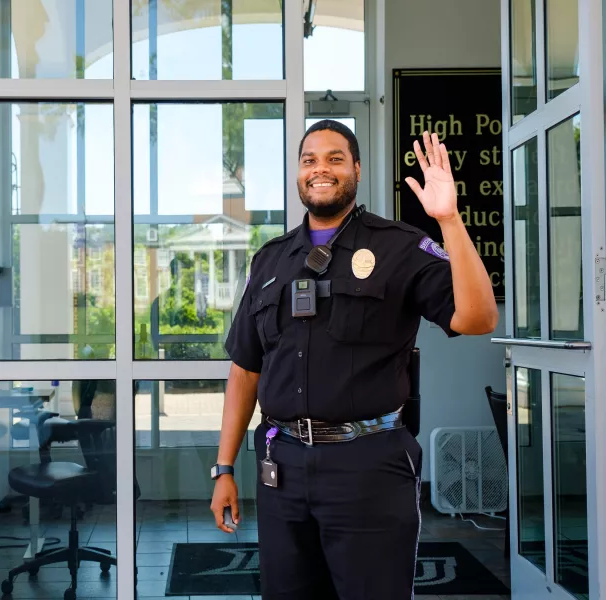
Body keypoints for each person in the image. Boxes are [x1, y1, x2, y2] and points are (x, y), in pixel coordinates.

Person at [209, 120, 498, 599]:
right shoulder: (271, 260)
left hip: (369, 465)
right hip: (282, 467)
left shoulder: (399, 247)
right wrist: (223, 469)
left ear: (357, 170)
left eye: (335, 159)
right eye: (309, 160)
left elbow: (479, 317)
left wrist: (449, 220)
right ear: (299, 174)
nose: (320, 169)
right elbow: (245, 368)